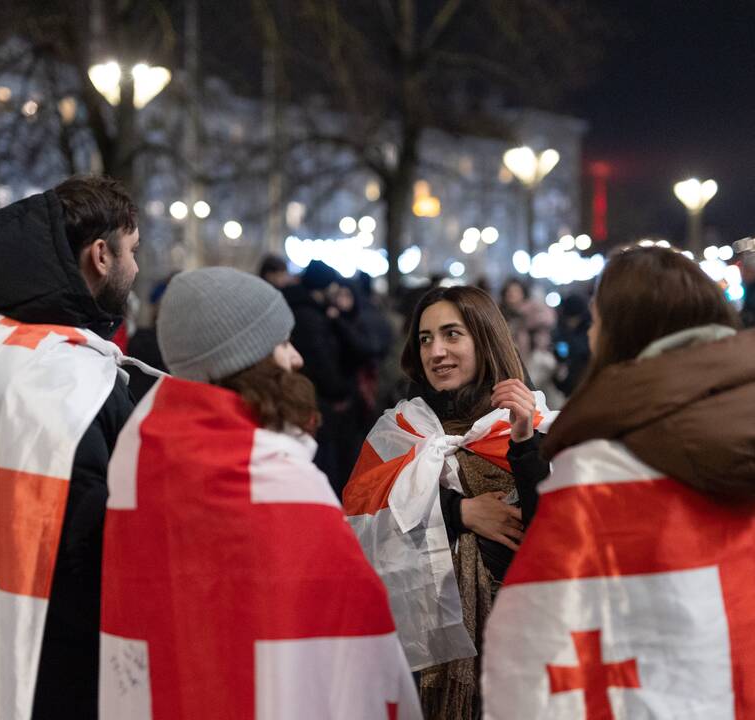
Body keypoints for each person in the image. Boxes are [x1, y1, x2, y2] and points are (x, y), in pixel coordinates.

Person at [482, 246, 755, 718]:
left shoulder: (602, 465)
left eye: (598, 319)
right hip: (747, 679)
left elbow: (548, 616)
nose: (592, 333)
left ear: (624, 329)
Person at [98, 267, 421, 718]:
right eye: (282, 344)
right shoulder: (278, 476)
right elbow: (350, 616)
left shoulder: (142, 450)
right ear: (247, 359)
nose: (296, 358)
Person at [0, 175, 140, 720]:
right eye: (132, 251)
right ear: (100, 255)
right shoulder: (64, 375)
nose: (136, 269)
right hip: (68, 645)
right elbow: (90, 538)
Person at [343, 285, 553, 720]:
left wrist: (524, 444)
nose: (436, 351)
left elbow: (554, 535)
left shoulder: (531, 421)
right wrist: (459, 511)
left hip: (517, 636)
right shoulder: (398, 430)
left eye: (452, 335)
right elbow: (364, 516)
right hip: (423, 654)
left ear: (485, 338)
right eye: (425, 338)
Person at [284, 260, 379, 495]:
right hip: (323, 404)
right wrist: (340, 392)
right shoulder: (310, 318)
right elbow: (321, 362)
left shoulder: (315, 314)